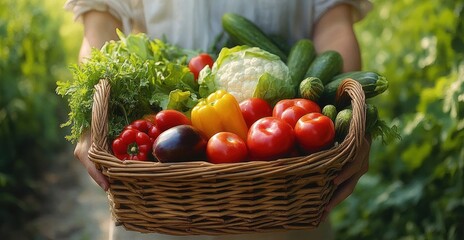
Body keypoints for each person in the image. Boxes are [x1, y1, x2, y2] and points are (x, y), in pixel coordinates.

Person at [64, 0, 372, 239]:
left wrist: (349, 128)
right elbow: (100, 25)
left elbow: (334, 24)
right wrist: (89, 117)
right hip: (159, 203)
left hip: (288, 193)